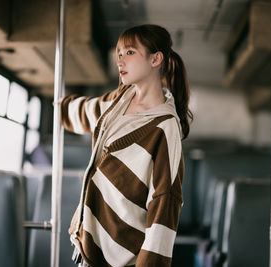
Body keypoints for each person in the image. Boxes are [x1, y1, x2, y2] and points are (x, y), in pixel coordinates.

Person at [58, 24, 192, 267]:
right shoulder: (121, 98)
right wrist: (62, 108)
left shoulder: (165, 127)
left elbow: (165, 201)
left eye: (129, 52)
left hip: (122, 255)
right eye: (118, 53)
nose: (120, 60)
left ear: (155, 59)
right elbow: (91, 110)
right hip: (85, 244)